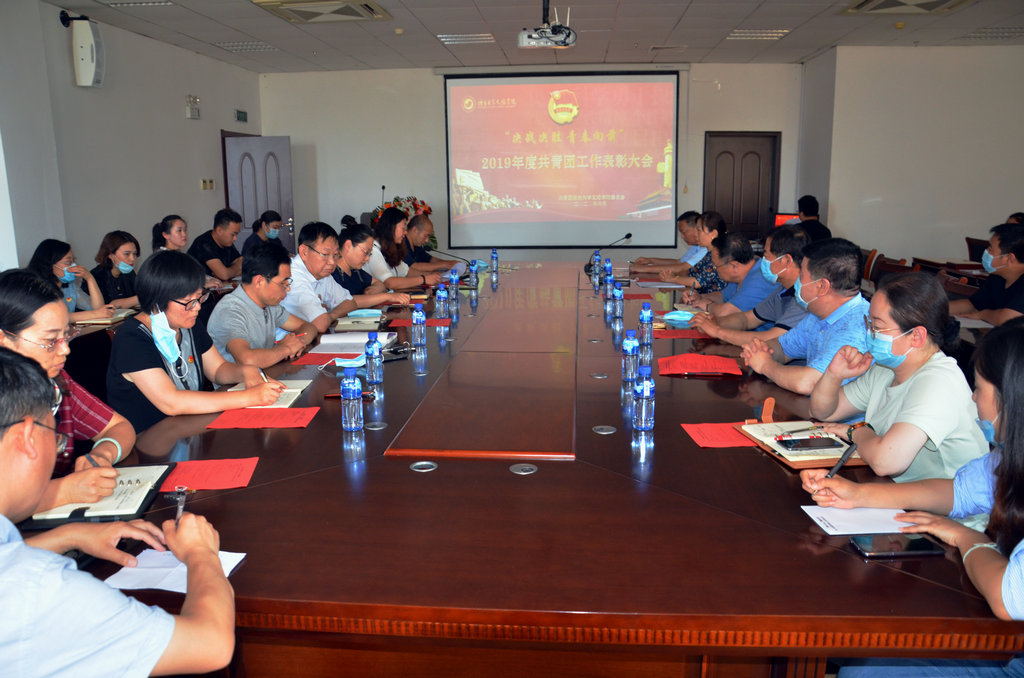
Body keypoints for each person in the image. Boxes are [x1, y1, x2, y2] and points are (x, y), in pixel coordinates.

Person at [800, 318, 1024, 676]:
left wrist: (965, 537)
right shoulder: (1009, 456)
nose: (973, 398)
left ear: (1010, 399)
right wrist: (859, 494)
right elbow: (958, 492)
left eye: (979, 388)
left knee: (869, 668)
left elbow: (1007, 597)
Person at [0, 347, 235, 676]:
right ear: (26, 438)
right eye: (56, 440)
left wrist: (67, 535)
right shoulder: (36, 590)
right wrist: (201, 555)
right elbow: (209, 645)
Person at [808, 272, 986, 484]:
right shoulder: (887, 368)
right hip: (898, 491)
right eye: (869, 323)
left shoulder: (939, 381)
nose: (869, 332)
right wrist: (834, 374)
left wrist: (856, 430)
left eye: (877, 326)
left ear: (916, 336)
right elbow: (823, 412)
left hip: (946, 504)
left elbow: (886, 462)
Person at [0, 269, 134, 513]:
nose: (65, 350)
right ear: (3, 339)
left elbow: (118, 426)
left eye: (67, 335)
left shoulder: (57, 381)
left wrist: (102, 455)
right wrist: (63, 491)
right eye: (51, 341)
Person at [107, 250, 285, 432]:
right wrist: (249, 397)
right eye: (188, 301)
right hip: (148, 439)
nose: (197, 307)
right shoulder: (131, 339)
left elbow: (217, 370)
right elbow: (171, 402)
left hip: (187, 429)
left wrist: (246, 372)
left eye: (199, 297)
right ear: (157, 301)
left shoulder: (188, 324)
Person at [742, 238, 869, 395]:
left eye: (801, 275)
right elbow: (783, 348)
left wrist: (765, 365)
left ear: (822, 286)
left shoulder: (856, 328)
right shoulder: (819, 314)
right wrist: (760, 350)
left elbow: (808, 383)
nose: (797, 281)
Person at [690, 225, 810, 346]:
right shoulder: (782, 290)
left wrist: (717, 331)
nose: (763, 260)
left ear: (785, 261)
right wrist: (716, 322)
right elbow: (747, 319)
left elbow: (772, 339)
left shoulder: (805, 296)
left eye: (766, 255)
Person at [207, 241, 316, 367]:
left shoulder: (270, 305)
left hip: (267, 373)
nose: (288, 289)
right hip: (239, 379)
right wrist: (286, 349)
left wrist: (298, 342)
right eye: (283, 283)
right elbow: (247, 360)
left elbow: (309, 327)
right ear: (259, 281)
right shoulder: (230, 311)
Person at [680, 232, 780, 318]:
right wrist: (699, 297)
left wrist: (708, 306)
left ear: (734, 266)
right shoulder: (743, 272)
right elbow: (723, 296)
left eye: (716, 266)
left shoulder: (760, 280)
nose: (715, 270)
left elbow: (726, 313)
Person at [281, 221, 358, 333]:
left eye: (335, 255)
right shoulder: (292, 276)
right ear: (304, 252)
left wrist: (329, 316)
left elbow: (350, 303)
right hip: (283, 340)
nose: (332, 262)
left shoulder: (322, 273)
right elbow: (320, 324)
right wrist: (324, 316)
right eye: (325, 254)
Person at [949, 223, 1024, 326]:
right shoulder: (997, 276)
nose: (986, 252)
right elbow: (973, 305)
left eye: (990, 249)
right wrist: (933, 309)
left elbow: (1008, 319)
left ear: (1009, 258)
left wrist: (983, 315)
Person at [26, 239, 114, 323]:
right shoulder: (35, 287)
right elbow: (53, 318)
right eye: (68, 262)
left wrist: (90, 278)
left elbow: (98, 309)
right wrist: (94, 314)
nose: (73, 266)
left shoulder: (70, 286)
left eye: (73, 261)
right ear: (49, 264)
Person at [333, 222, 412, 307]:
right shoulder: (332, 273)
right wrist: (387, 296)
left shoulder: (356, 271)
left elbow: (380, 283)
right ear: (348, 246)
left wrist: (371, 291)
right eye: (365, 252)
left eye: (369, 254)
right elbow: (346, 300)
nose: (367, 259)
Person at [365, 207, 442, 291]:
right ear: (392, 227)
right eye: (403, 228)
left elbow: (407, 271)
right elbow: (390, 282)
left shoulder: (390, 248)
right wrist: (423, 279)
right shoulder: (373, 250)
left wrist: (432, 276)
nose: (405, 232)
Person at [658, 211, 728, 292]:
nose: (695, 234)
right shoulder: (709, 253)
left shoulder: (718, 255)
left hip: (711, 298)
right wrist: (674, 277)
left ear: (713, 234)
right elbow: (690, 272)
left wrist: (673, 279)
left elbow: (698, 282)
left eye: (698, 230)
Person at [631, 211, 705, 273]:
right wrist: (650, 260)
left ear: (697, 228)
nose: (682, 236)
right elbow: (679, 262)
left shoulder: (705, 248)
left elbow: (683, 267)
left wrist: (642, 269)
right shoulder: (696, 246)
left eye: (683, 232)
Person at [187, 208, 243, 282]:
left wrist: (229, 271)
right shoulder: (204, 243)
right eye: (233, 234)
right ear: (219, 230)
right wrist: (235, 269)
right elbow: (224, 275)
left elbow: (242, 262)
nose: (235, 238)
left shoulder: (226, 242)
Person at [89, 230, 140, 309]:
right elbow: (107, 307)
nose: (132, 258)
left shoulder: (130, 273)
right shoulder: (96, 276)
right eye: (127, 254)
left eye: (134, 254)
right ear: (110, 255)